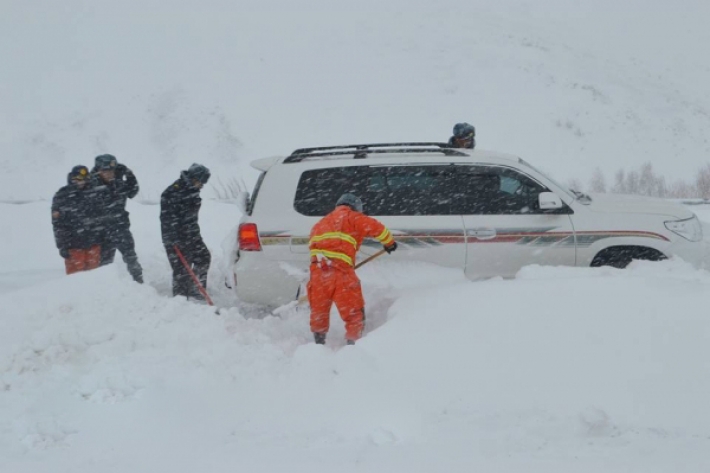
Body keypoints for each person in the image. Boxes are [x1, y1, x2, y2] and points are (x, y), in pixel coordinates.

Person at [308, 193, 397, 345]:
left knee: (319, 312)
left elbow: (314, 249)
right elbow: (378, 228)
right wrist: (389, 243)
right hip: (341, 274)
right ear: (355, 207)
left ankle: (318, 344)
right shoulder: (352, 217)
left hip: (318, 274)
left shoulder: (319, 224)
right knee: (354, 313)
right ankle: (353, 347)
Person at [160, 163, 211, 299]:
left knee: (204, 257)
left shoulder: (192, 191)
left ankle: (195, 287)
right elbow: (166, 219)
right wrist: (173, 239)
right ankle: (180, 298)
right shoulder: (172, 192)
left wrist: (193, 233)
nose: (202, 186)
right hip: (175, 237)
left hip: (192, 234)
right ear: (194, 178)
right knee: (182, 267)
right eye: (201, 182)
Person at [91, 154, 143, 283]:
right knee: (104, 264)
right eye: (105, 171)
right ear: (98, 171)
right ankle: (106, 288)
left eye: (111, 170)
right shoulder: (91, 186)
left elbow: (132, 192)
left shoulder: (118, 183)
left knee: (131, 258)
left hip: (121, 227)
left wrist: (130, 176)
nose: (109, 173)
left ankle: (139, 283)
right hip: (101, 231)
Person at [51, 165, 109, 275]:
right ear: (72, 178)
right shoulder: (62, 195)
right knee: (75, 279)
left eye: (84, 179)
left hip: (93, 244)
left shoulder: (95, 193)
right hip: (73, 245)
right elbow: (58, 225)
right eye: (77, 179)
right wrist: (62, 246)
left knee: (94, 276)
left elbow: (102, 218)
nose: (80, 182)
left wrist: (104, 238)